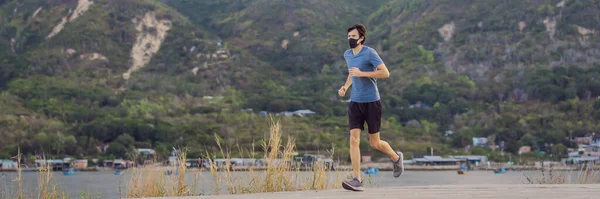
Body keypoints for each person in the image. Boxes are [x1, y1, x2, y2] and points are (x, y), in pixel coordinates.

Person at [338, 24, 404, 191]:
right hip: (355, 102)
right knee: (354, 139)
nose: (350, 39)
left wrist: (363, 73)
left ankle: (396, 157)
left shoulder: (370, 53)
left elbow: (385, 73)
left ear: (361, 38)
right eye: (348, 36)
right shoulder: (347, 54)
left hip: (372, 102)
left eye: (353, 36)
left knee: (375, 143)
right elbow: (351, 73)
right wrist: (345, 87)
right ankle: (357, 180)